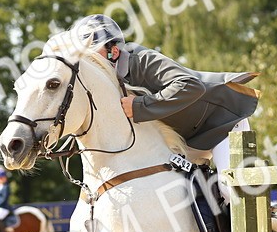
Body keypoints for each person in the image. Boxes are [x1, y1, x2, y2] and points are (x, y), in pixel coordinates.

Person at [70, 14, 259, 188]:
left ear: (115, 51)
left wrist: (140, 106)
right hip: (187, 141)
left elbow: (191, 85)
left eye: (93, 54)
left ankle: (270, 220)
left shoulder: (143, 60)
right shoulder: (106, 83)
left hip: (223, 123)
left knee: (230, 189)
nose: (89, 61)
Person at [0, 168, 18, 232]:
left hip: (3, 207)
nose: (1, 179)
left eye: (2, 177)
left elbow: (3, 198)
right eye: (0, 178)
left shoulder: (6, 187)